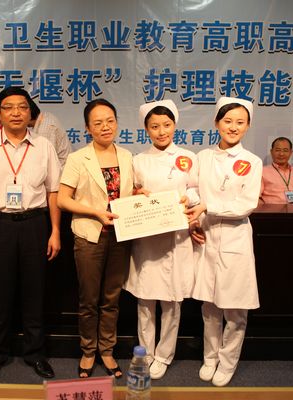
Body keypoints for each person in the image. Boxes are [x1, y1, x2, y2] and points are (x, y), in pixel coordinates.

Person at [0, 87, 61, 382]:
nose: (16, 112)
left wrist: (55, 231)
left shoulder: (44, 146)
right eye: (9, 107)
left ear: (31, 113)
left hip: (35, 224)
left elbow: (53, 192)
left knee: (35, 291)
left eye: (22, 107)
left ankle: (35, 353)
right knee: (1, 292)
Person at [123, 100, 200, 380]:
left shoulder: (189, 157)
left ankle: (165, 355)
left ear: (175, 126)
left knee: (172, 301)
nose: (161, 131)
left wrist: (187, 198)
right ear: (146, 130)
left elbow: (197, 191)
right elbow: (130, 192)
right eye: (154, 126)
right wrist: (136, 193)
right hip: (147, 238)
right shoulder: (138, 160)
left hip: (176, 238)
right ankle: (145, 352)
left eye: (166, 125)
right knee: (145, 299)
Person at [57, 98, 133, 379]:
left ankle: (107, 350)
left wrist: (141, 194)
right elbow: (63, 200)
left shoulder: (127, 156)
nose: (105, 127)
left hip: (121, 237)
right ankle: (88, 351)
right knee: (89, 299)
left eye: (110, 121)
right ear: (88, 128)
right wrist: (95, 212)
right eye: (98, 123)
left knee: (112, 298)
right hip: (89, 236)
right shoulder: (78, 158)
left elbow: (127, 193)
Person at [191, 97, 262, 387]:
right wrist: (196, 216)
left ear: (248, 126)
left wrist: (207, 207)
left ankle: (228, 361)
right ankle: (210, 358)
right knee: (209, 306)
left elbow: (245, 205)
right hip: (207, 237)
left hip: (235, 239)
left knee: (235, 309)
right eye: (227, 121)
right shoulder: (203, 157)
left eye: (240, 122)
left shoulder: (253, 162)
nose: (233, 127)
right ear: (216, 123)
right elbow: (192, 190)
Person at [0, 99, 71, 167]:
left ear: (29, 114)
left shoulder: (46, 128)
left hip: (61, 176)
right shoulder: (44, 117)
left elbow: (41, 160)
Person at [260, 137, 293, 204]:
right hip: (274, 210)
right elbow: (256, 198)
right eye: (278, 150)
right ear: (271, 152)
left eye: (285, 150)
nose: (281, 154)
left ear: (291, 153)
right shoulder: (262, 172)